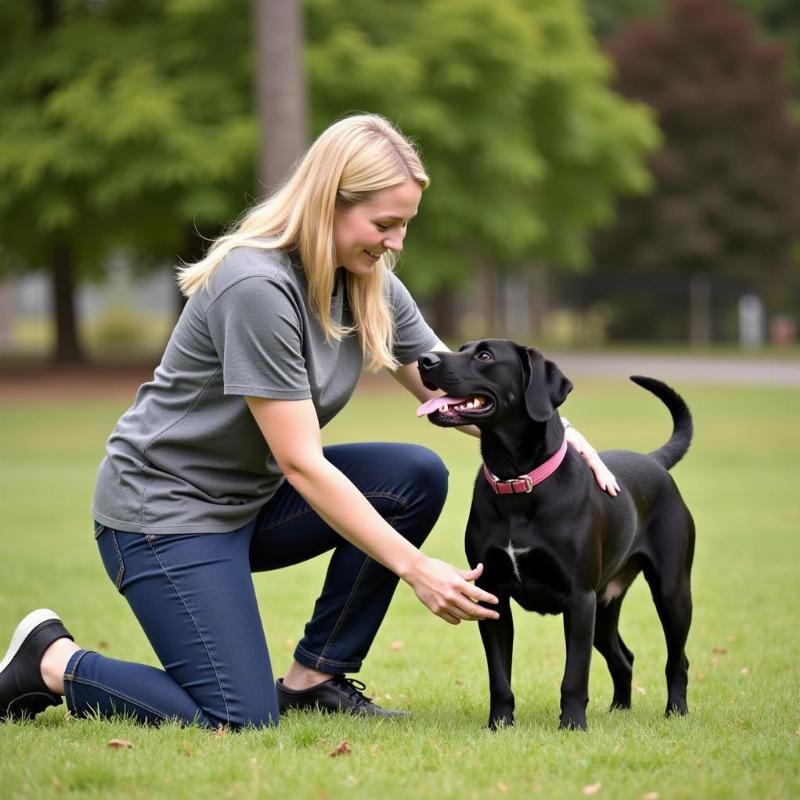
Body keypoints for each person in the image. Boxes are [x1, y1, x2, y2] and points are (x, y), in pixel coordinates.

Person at [0, 114, 618, 729]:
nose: (396, 241)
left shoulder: (368, 279)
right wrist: (415, 567)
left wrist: (553, 439)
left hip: (253, 502)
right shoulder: (256, 287)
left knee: (415, 475)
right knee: (238, 718)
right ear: (330, 205)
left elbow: (451, 390)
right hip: (165, 513)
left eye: (404, 224)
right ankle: (52, 661)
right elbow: (301, 460)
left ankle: (316, 678)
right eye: (385, 224)